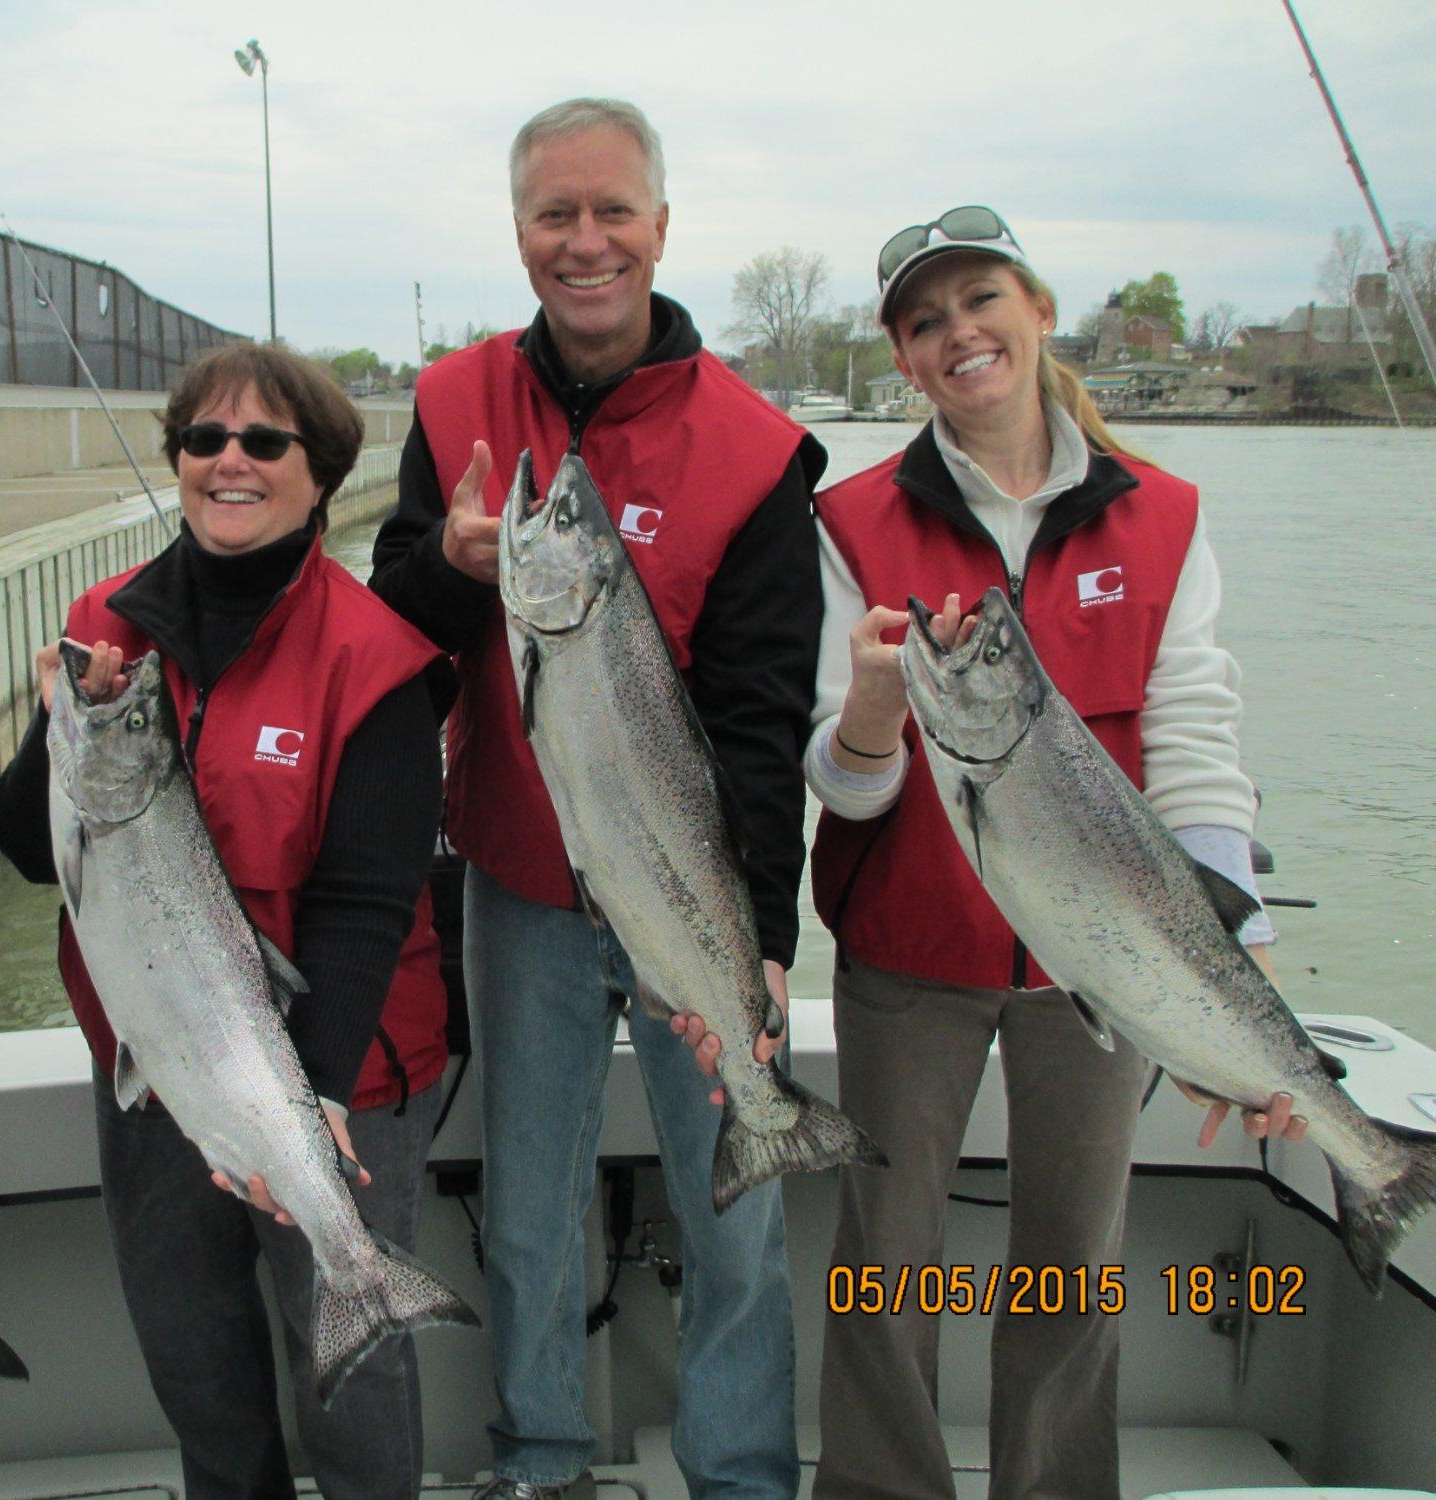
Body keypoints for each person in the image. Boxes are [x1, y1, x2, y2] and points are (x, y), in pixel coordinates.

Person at [802, 207, 1304, 1499]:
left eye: (980, 300)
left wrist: (1238, 958)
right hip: (907, 958)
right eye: (925, 321)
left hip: (1115, 962)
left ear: (1036, 308)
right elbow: (843, 790)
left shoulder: (1167, 517)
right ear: (901, 358)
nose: (958, 334)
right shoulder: (846, 521)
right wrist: (871, 716)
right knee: (883, 1267)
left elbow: (1192, 741)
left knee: (1074, 1266)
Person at [369, 98, 824, 1499]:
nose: (586, 241)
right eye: (555, 214)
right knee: (526, 1210)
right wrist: (450, 567)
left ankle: (741, 1475)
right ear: (519, 233)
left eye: (612, 210)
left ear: (661, 227)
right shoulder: (448, 404)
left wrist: (762, 937)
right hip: (519, 887)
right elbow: (392, 639)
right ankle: (538, 1461)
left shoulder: (756, 448)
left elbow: (763, 722)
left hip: (691, 892)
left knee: (735, 1218)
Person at [0, 341, 449, 1500]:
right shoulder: (105, 626)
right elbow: (27, 852)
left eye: (262, 441)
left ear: (320, 473)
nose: (228, 461)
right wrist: (58, 729)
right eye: (203, 439)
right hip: (155, 1064)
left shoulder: (377, 658)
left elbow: (364, 903)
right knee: (193, 1357)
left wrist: (312, 1097)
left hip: (344, 1073)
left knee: (348, 1379)